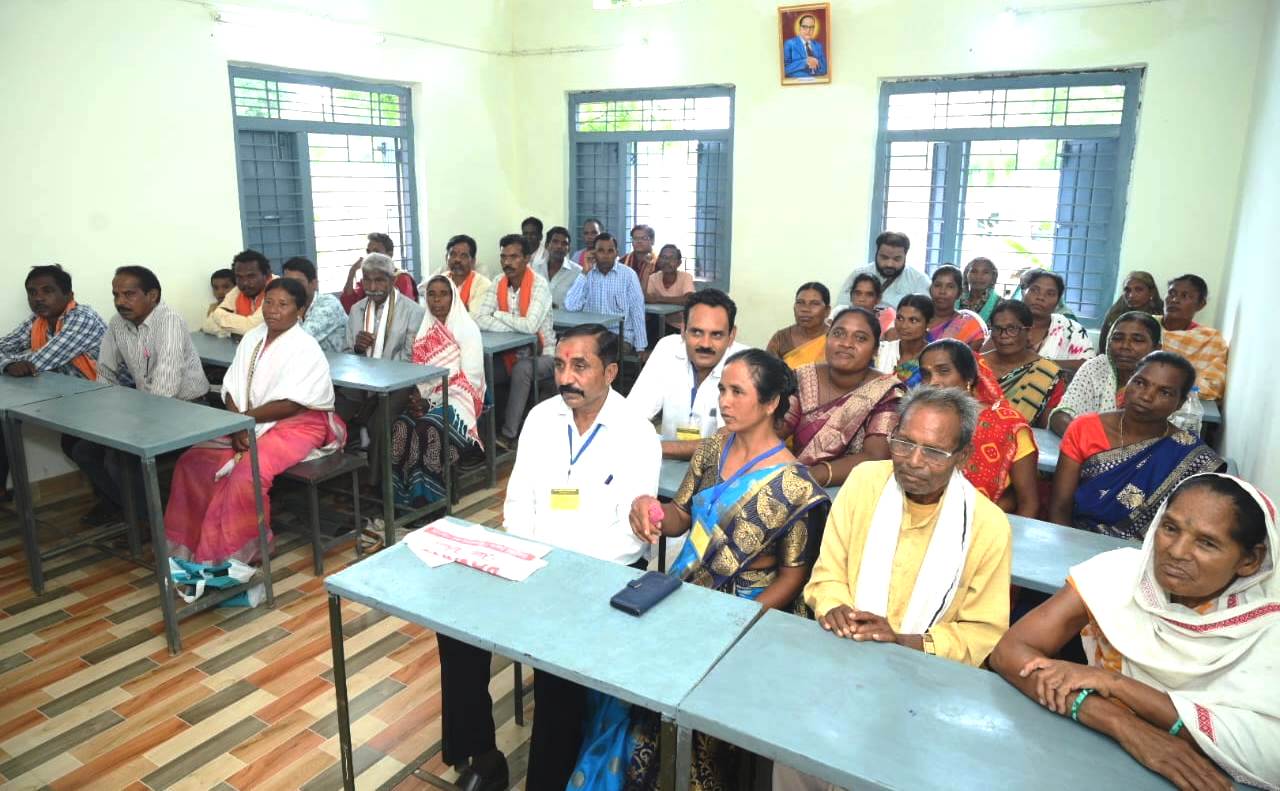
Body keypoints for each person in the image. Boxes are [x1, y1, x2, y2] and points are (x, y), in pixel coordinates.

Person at [584, 351, 829, 790]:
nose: (725, 402)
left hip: (748, 612)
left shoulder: (795, 486)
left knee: (704, 722)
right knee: (631, 681)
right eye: (722, 390)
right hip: (690, 591)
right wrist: (652, 511)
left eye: (738, 392)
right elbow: (682, 513)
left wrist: (735, 621)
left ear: (771, 402)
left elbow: (794, 579)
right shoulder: (714, 447)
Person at [436, 324, 660, 791]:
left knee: (557, 671)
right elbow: (518, 501)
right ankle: (482, 756)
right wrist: (526, 559)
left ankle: (546, 781)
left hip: (603, 576)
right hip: (531, 564)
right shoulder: (541, 418)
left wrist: (564, 577)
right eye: (560, 365)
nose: (566, 377)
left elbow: (630, 542)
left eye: (580, 366)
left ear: (611, 371)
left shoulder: (635, 431)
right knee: (456, 627)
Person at [774, 387, 1012, 791]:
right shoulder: (865, 482)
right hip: (839, 660)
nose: (914, 462)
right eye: (904, 443)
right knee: (799, 760)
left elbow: (982, 632)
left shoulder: (987, 526)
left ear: (963, 457)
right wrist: (835, 607)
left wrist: (902, 641)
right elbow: (828, 571)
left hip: (925, 694)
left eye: (934, 452)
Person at [990, 473, 1279, 790]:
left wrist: (1116, 684)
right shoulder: (1118, 574)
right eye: (1170, 528)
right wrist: (1121, 723)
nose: (1177, 551)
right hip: (1083, 754)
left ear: (1250, 560)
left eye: (1206, 542)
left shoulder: (1266, 629)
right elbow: (1010, 651)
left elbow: (1268, 751)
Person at [165, 278, 345, 563]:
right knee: (192, 461)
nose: (273, 310)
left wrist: (242, 422)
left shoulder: (305, 347)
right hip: (248, 419)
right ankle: (192, 543)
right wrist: (239, 422)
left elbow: (292, 403)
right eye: (268, 302)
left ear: (300, 311)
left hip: (298, 423)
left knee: (247, 472)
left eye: (283, 304)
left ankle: (244, 549)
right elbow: (231, 385)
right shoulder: (252, 337)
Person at [72, 266, 209, 525]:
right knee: (82, 450)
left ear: (152, 295)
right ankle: (131, 509)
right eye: (116, 295)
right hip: (145, 409)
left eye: (129, 294)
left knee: (120, 459)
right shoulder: (117, 323)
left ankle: (149, 525)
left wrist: (133, 426)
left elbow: (166, 384)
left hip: (188, 410)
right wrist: (107, 415)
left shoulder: (169, 321)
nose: (120, 302)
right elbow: (105, 370)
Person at [1050, 352, 1224, 540]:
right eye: (1140, 383)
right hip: (1077, 540)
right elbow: (1060, 507)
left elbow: (1185, 528)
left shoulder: (1187, 453)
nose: (1147, 396)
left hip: (1144, 555)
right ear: (1128, 383)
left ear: (1179, 403)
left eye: (1164, 392)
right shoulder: (1085, 428)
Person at [0, 265, 107, 504]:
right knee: (71, 444)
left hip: (113, 401)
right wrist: (8, 364)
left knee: (81, 449)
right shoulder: (37, 322)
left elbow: (40, 361)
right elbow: (3, 347)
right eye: (32, 292)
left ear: (68, 295)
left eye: (47, 290)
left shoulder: (82, 319)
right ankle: (113, 504)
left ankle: (132, 513)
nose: (38, 298)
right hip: (79, 402)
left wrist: (15, 363)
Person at [390, 275, 485, 506]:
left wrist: (431, 400)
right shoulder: (426, 329)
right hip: (429, 396)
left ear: (453, 297)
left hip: (463, 398)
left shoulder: (466, 328)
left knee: (427, 428)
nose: (437, 300)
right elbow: (419, 372)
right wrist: (418, 397)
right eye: (431, 294)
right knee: (401, 425)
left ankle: (432, 500)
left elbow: (470, 378)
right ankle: (402, 498)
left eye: (443, 294)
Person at [783, 307, 904, 487]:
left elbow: (875, 457)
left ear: (875, 350)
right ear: (827, 339)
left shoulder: (887, 391)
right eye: (839, 333)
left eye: (860, 338)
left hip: (852, 489)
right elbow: (776, 430)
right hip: (792, 476)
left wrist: (810, 477)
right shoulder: (801, 377)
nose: (846, 343)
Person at [918, 339, 1039, 517]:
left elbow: (1028, 503)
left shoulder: (1008, 426)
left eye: (943, 371)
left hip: (984, 529)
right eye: (926, 374)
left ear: (969, 377)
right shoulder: (918, 420)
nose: (933, 382)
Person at [627, 289, 749, 460]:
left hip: (719, 471)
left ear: (731, 336)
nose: (705, 344)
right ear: (683, 330)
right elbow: (631, 417)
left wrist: (653, 448)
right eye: (696, 332)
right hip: (667, 466)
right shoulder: (667, 348)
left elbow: (727, 441)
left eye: (716, 335)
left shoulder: (744, 365)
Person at [336, 253, 424, 485]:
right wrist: (357, 348)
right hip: (361, 381)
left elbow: (410, 359)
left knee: (378, 424)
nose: (372, 287)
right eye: (367, 280)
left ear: (392, 281)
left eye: (379, 281)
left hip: (399, 383)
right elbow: (345, 355)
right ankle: (337, 481)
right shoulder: (357, 309)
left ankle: (377, 488)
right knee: (333, 413)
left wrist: (381, 379)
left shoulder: (412, 311)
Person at [472, 234, 556, 450]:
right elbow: (480, 319)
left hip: (544, 354)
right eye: (503, 257)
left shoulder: (539, 285)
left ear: (526, 258)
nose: (507, 262)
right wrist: (512, 322)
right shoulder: (499, 281)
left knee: (522, 370)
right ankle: (481, 434)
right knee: (480, 369)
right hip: (508, 353)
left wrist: (498, 315)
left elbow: (530, 327)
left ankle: (509, 434)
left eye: (514, 257)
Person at [1049, 311, 1161, 437]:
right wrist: (1090, 443)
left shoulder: (1165, 381)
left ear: (1156, 349)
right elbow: (1061, 415)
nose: (1125, 346)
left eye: (1137, 340)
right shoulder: (1096, 368)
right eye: (1118, 338)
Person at [983, 299, 1065, 428]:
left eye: (1012, 328)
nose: (1004, 335)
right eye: (997, 328)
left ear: (1028, 331)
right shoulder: (975, 365)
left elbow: (1046, 428)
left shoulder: (1048, 374)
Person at [564, 232, 648, 353]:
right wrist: (584, 272)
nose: (606, 255)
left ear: (616, 253)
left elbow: (637, 311)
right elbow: (571, 306)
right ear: (593, 253)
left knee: (600, 352)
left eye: (610, 251)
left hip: (619, 336)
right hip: (591, 335)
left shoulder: (628, 275)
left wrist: (641, 347)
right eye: (601, 251)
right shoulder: (586, 274)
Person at [1159, 274, 1228, 400]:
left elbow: (1212, 385)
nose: (1174, 300)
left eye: (1185, 296)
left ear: (1201, 304)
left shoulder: (1210, 339)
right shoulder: (1144, 324)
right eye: (1171, 293)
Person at [1014, 270, 1094, 369]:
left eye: (1050, 294)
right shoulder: (1006, 324)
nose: (1040, 297)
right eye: (1034, 290)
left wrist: (1038, 363)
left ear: (1057, 301)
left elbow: (1089, 366)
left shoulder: (1072, 330)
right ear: (1023, 293)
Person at [834, 231, 931, 313]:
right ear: (876, 253)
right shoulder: (858, 274)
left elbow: (926, 314)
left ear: (905, 256)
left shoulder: (919, 279)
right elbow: (841, 308)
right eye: (884, 257)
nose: (889, 264)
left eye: (896, 259)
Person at [339, 232, 416, 312]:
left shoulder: (401, 278)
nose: (371, 256)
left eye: (376, 252)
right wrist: (352, 272)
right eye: (368, 252)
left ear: (389, 254)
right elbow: (349, 307)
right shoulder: (367, 279)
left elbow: (404, 311)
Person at [201, 250, 273, 337]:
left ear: (267, 275)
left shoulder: (277, 290)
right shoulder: (238, 290)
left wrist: (220, 319)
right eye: (239, 277)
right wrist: (233, 332)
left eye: (251, 276)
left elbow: (252, 327)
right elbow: (207, 325)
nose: (245, 282)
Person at [281, 256, 345, 352]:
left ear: (314, 284)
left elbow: (299, 340)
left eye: (298, 282)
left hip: (342, 364)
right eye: (287, 283)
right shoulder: (292, 305)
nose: (292, 288)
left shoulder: (328, 304)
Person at [766, 282, 831, 368]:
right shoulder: (781, 338)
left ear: (827, 310)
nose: (805, 309)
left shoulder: (835, 339)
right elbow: (768, 372)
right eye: (800, 303)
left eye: (814, 303)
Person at [1097, 271, 1163, 354]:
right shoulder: (1114, 314)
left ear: (1151, 292)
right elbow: (1103, 347)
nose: (1131, 295)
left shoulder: (1162, 317)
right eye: (1127, 290)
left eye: (1138, 290)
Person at [926, 264, 988, 352]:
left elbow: (968, 362)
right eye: (938, 285)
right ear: (930, 289)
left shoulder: (970, 325)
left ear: (959, 293)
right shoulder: (916, 320)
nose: (942, 291)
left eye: (950, 286)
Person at [876, 294, 934, 387]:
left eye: (913, 320)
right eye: (900, 318)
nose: (904, 326)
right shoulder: (881, 351)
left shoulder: (933, 357)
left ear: (929, 323)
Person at [643, 244, 695, 331]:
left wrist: (660, 299)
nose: (667, 261)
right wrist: (647, 268)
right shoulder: (654, 277)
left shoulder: (686, 277)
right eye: (663, 257)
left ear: (679, 263)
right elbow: (644, 297)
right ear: (658, 260)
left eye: (672, 258)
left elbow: (688, 299)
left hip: (682, 326)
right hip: (661, 323)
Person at [442, 234, 492, 315]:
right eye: (453, 254)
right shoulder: (440, 280)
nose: (457, 260)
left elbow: (474, 317)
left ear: (473, 261)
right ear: (446, 258)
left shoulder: (483, 285)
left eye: (463, 256)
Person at [532, 225, 581, 309]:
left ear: (568, 249)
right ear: (547, 245)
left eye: (564, 243)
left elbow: (579, 303)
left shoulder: (577, 273)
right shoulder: (535, 268)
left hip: (564, 321)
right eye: (555, 242)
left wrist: (558, 307)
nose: (559, 246)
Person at [782, 13, 828, 78]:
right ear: (799, 28)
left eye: (811, 27)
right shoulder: (789, 44)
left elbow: (825, 69)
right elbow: (785, 69)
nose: (808, 30)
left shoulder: (818, 45)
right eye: (805, 27)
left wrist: (817, 62)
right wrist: (805, 62)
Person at [959, 256, 1000, 323]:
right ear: (966, 274)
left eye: (985, 272)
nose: (979, 276)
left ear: (993, 277)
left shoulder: (1000, 305)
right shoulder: (955, 302)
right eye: (974, 271)